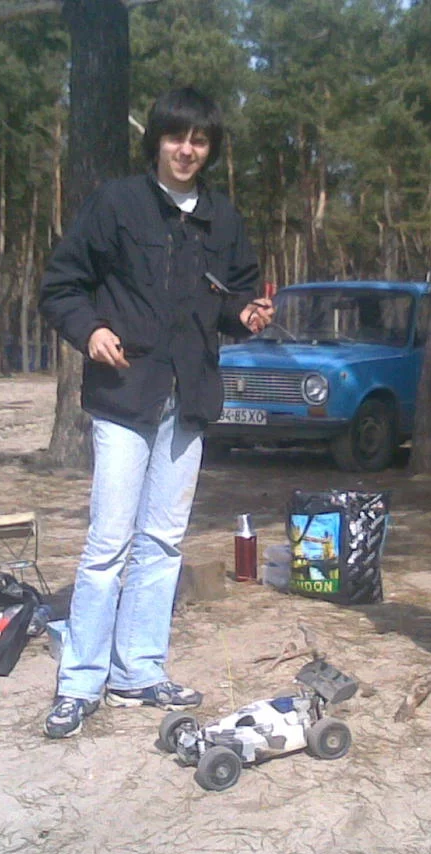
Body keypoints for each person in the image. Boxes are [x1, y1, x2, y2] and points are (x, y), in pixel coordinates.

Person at [38, 87, 274, 739]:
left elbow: (234, 301)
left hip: (187, 400)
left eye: (199, 140)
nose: (186, 150)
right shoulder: (117, 204)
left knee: (163, 542)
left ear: (210, 149)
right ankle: (81, 681)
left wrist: (249, 316)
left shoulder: (223, 220)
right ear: (157, 142)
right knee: (108, 544)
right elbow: (60, 285)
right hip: (124, 394)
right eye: (176, 137)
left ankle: (138, 671)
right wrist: (90, 331)